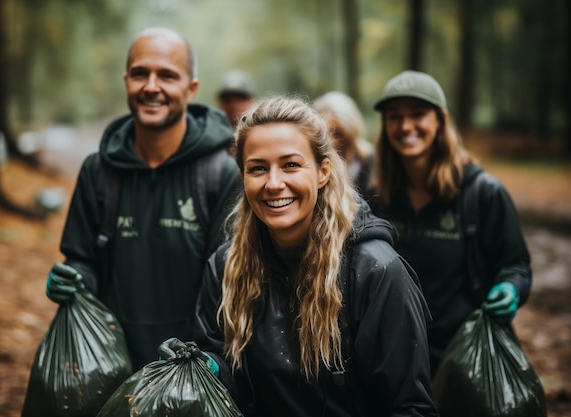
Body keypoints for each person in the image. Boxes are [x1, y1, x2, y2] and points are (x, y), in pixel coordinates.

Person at [175, 96, 438, 416]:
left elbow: (409, 406)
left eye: (291, 165)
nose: (274, 183)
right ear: (243, 176)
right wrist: (206, 366)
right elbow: (230, 380)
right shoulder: (225, 266)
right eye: (257, 168)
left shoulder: (375, 272)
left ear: (322, 171)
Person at [44, 27, 241, 371]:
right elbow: (83, 261)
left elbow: (228, 286)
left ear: (191, 88)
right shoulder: (98, 171)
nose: (151, 87)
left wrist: (212, 364)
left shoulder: (220, 175)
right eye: (140, 74)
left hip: (189, 371)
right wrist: (73, 279)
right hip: (108, 365)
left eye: (167, 75)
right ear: (126, 82)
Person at [370, 70, 532, 377]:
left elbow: (516, 264)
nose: (406, 126)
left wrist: (510, 288)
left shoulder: (482, 193)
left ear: (440, 120)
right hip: (395, 361)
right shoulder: (376, 194)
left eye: (418, 114)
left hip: (463, 359)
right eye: (394, 116)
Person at [313, 91, 375, 199]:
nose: (330, 142)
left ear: (350, 133)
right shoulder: (313, 165)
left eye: (337, 134)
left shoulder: (371, 162)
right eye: (324, 133)